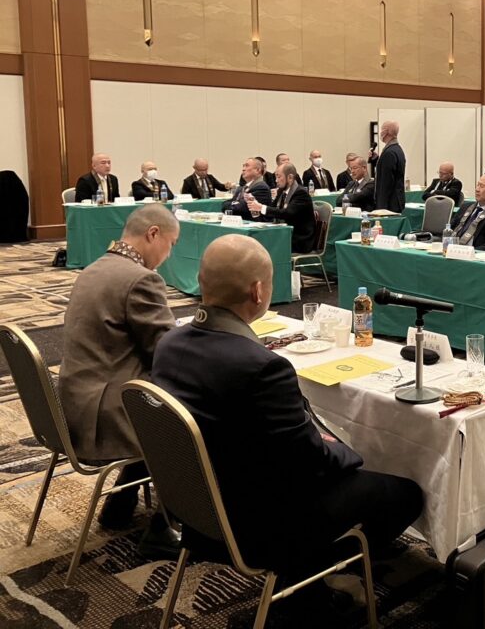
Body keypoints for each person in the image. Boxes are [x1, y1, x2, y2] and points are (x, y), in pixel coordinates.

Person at [150, 235, 423, 576]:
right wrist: (349, 452)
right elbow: (309, 461)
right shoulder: (262, 366)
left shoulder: (168, 343)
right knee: (406, 494)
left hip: (195, 507)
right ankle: (311, 570)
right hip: (260, 525)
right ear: (258, 292)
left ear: (200, 280)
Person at [58, 205, 179, 530]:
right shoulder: (141, 279)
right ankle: (167, 525)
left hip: (75, 402)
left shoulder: (93, 268)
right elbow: (166, 352)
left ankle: (121, 502)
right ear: (153, 234)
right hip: (105, 414)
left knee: (153, 393)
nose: (169, 255)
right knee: (196, 404)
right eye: (171, 244)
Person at [248, 163, 316, 253]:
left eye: (279, 177)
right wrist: (257, 210)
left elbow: (287, 213)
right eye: (276, 177)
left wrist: (261, 208)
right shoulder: (281, 191)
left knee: (264, 245)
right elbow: (273, 210)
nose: (276, 180)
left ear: (290, 177)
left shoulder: (301, 193)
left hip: (299, 240)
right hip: (285, 234)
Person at [374, 121, 406, 213]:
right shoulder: (397, 150)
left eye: (382, 129)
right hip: (396, 201)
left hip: (389, 204)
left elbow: (386, 182)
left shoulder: (389, 153)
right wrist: (376, 160)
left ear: (386, 132)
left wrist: (381, 206)